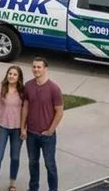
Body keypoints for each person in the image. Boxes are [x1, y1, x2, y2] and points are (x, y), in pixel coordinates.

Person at [22, 57, 63, 191]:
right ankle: (33, 188)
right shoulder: (28, 86)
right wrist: (23, 128)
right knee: (33, 163)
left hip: (47, 136)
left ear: (45, 69)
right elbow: (25, 107)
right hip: (31, 134)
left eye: (39, 67)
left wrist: (51, 130)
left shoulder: (54, 88)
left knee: (49, 165)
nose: (36, 69)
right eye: (34, 67)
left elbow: (59, 112)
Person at [0, 65, 27, 191]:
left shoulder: (23, 91)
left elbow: (25, 110)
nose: (11, 76)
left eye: (15, 74)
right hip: (2, 127)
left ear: (19, 77)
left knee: (15, 157)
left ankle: (12, 183)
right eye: (10, 73)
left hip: (17, 129)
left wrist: (23, 128)